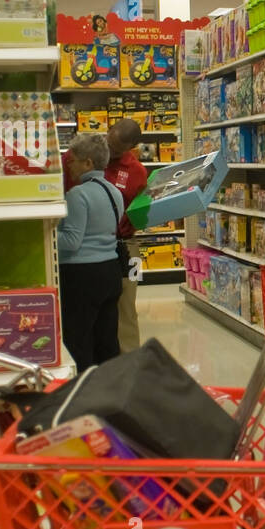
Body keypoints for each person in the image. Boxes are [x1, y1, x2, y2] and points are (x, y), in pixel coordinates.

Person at [58, 134, 124, 372]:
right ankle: (110, 389)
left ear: (88, 163)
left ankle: (82, 392)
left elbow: (72, 241)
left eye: (73, 160)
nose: (69, 164)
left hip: (81, 275)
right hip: (110, 271)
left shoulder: (78, 195)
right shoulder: (114, 192)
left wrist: (45, 235)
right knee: (107, 339)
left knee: (79, 340)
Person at [103, 119, 149, 353]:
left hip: (129, 247)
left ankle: (130, 360)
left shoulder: (138, 172)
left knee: (127, 306)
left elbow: (143, 212)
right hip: (93, 247)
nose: (110, 151)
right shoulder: (89, 156)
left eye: (117, 148)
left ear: (131, 146)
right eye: (109, 142)